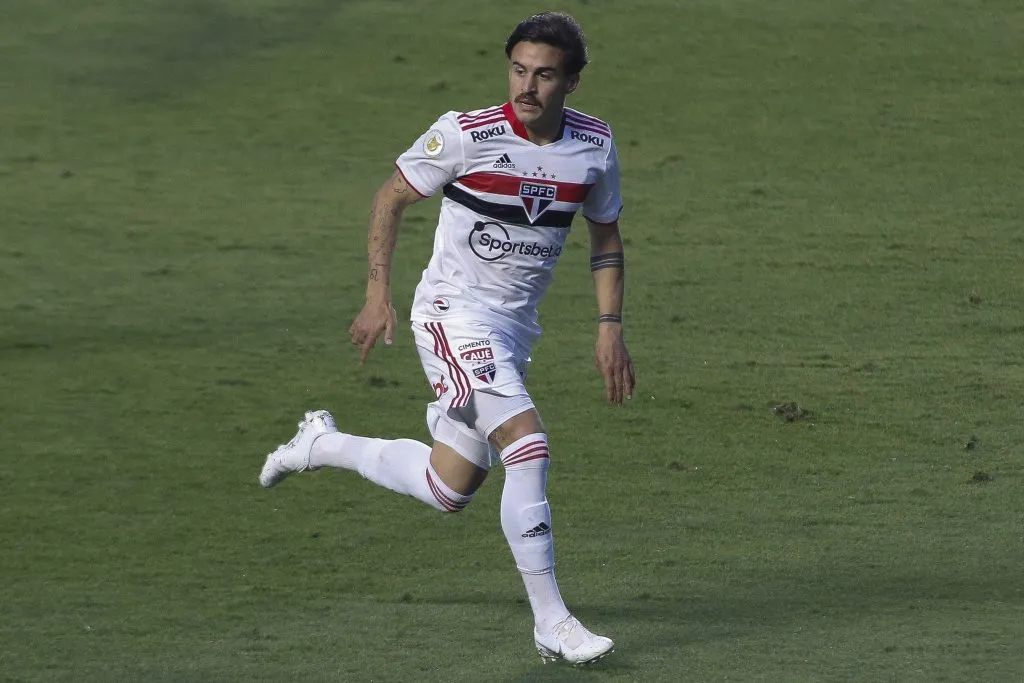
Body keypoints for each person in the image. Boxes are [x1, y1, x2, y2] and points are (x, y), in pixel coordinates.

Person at [259, 11, 635, 666]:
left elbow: (605, 237)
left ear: (571, 82)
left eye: (545, 75)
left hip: (514, 331)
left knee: (448, 486)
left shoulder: (594, 147)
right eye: (518, 70)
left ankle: (318, 442)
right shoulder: (466, 135)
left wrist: (610, 327)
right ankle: (552, 620)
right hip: (450, 316)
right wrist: (378, 293)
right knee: (528, 444)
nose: (527, 87)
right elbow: (389, 198)